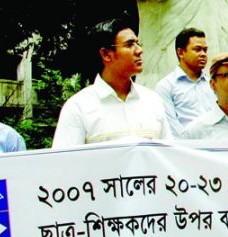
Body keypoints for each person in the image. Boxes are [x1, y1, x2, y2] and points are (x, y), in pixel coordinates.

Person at [53, 18, 171, 147]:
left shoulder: (152, 100)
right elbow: (64, 162)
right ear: (106, 54)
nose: (139, 50)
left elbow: (168, 153)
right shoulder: (78, 107)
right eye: (129, 45)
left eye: (138, 43)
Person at [154, 27, 217, 137]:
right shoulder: (166, 86)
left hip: (216, 147)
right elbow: (171, 127)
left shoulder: (212, 84)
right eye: (197, 49)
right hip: (185, 149)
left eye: (205, 50)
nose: (203, 54)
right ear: (181, 52)